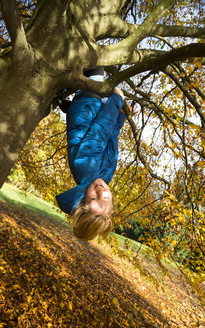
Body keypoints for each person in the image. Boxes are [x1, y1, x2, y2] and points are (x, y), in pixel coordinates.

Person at [56, 68, 126, 241]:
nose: (101, 191)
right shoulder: (104, 177)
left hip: (89, 106)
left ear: (82, 201)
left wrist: (117, 100)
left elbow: (100, 131)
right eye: (106, 197)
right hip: (99, 108)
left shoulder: (86, 169)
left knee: (96, 63)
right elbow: (111, 138)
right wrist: (121, 116)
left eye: (94, 198)